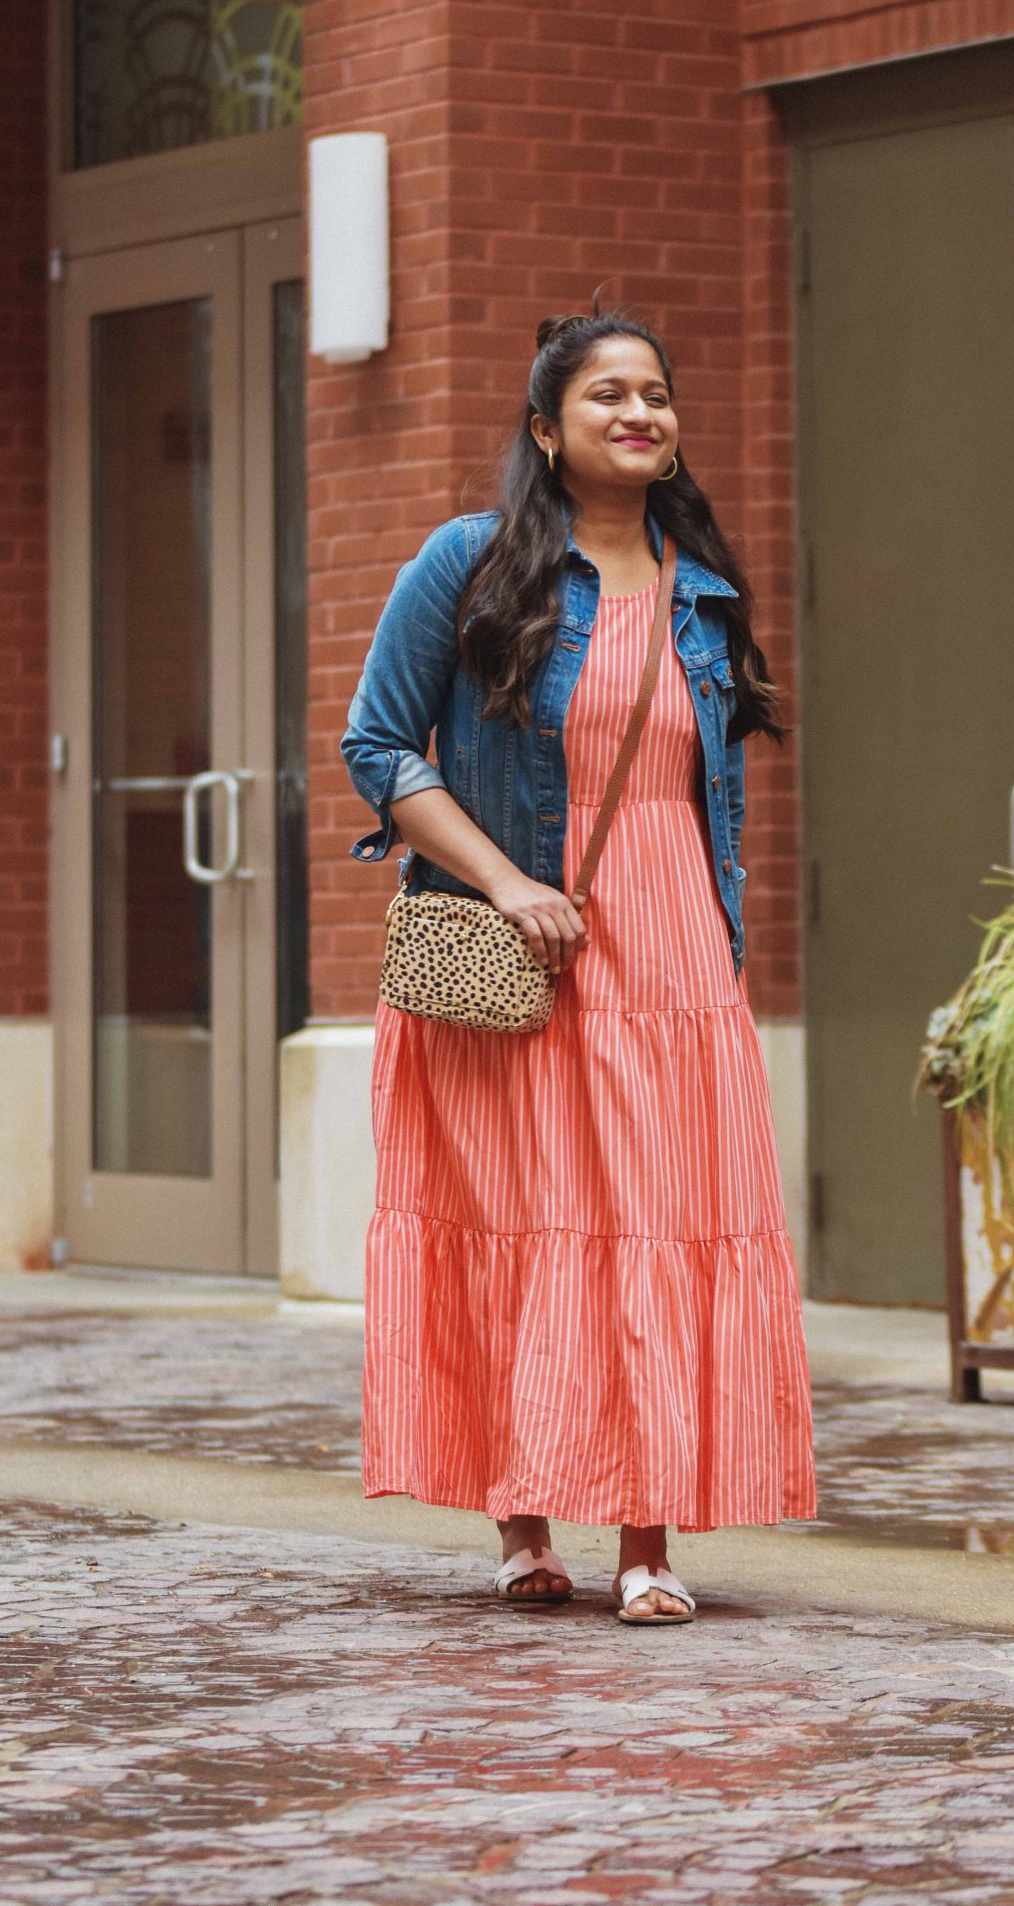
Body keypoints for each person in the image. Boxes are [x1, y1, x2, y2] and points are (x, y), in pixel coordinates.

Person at [341, 293, 817, 1625]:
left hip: (673, 959)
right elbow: (378, 751)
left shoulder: (703, 593)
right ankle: (524, 1526)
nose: (639, 412)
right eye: (608, 394)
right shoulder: (472, 564)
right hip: (524, 958)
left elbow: (699, 792)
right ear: (546, 430)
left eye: (655, 392)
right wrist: (505, 884)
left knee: (661, 1231)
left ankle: (650, 1544)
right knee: (525, 1223)